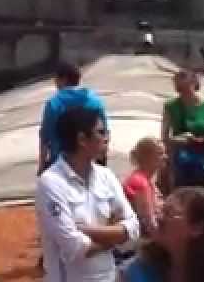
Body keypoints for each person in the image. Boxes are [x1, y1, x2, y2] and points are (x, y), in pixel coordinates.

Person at [37, 106, 139, 282]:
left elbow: (134, 229)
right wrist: (117, 235)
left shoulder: (106, 176)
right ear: (82, 139)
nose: (107, 138)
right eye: (101, 132)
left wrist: (86, 230)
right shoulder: (51, 182)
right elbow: (74, 247)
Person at [120, 187, 204, 282]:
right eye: (160, 211)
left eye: (168, 213)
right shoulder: (137, 272)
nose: (158, 218)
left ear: (197, 228)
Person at [41, 60, 110, 173]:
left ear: (62, 80)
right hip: (90, 160)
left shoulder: (54, 103)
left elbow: (45, 138)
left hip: (61, 164)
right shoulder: (95, 100)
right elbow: (104, 133)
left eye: (56, 79)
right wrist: (102, 159)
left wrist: (42, 165)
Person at [162, 69, 204, 190]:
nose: (182, 90)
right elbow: (165, 137)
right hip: (180, 159)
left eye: (185, 84)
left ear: (194, 82)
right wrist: (181, 139)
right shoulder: (171, 106)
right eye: (179, 87)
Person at [123, 137, 167, 241]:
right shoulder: (140, 182)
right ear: (147, 157)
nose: (165, 157)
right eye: (160, 154)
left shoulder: (145, 179)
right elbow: (149, 224)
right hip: (141, 241)